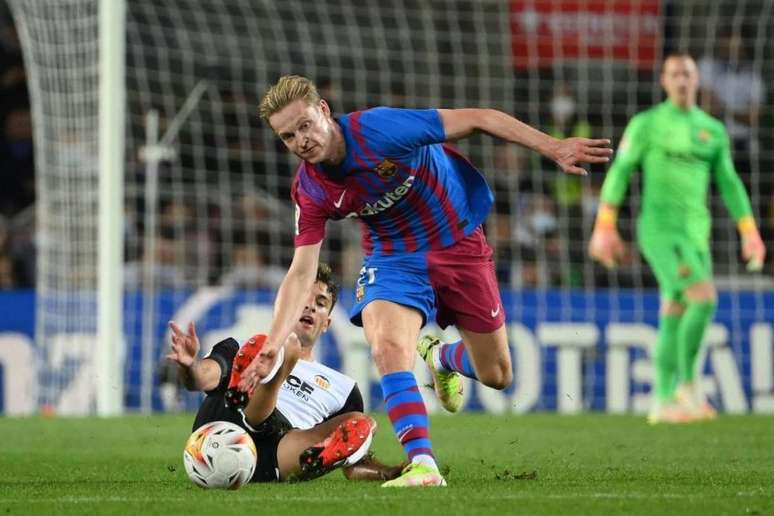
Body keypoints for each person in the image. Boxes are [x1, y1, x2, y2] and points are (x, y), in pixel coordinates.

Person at [238, 74, 611, 487]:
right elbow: (302, 270)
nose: (301, 141)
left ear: (323, 110)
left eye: (305, 125)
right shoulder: (310, 190)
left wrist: (553, 146)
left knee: (497, 375)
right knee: (389, 348)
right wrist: (273, 342)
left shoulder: (380, 129)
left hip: (459, 243)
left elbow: (481, 118)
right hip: (394, 258)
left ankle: (442, 358)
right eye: (288, 136)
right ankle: (423, 464)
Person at [587, 54, 767, 424]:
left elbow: (730, 184)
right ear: (664, 82)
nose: (682, 80)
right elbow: (620, 172)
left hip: (696, 236)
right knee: (704, 299)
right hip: (658, 231)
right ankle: (687, 385)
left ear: (697, 79)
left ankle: (663, 401)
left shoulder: (712, 130)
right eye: (675, 74)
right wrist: (604, 224)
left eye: (687, 73)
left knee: (675, 311)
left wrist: (749, 233)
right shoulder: (648, 124)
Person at [167, 263, 404, 483]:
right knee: (270, 348)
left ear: (326, 324)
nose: (311, 306)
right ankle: (255, 382)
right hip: (222, 432)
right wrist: (189, 365)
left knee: (363, 422)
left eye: (320, 303)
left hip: (278, 453)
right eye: (303, 298)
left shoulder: (344, 388)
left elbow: (352, 461)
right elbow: (201, 378)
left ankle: (313, 460)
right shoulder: (239, 347)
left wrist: (388, 472)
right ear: (284, 306)